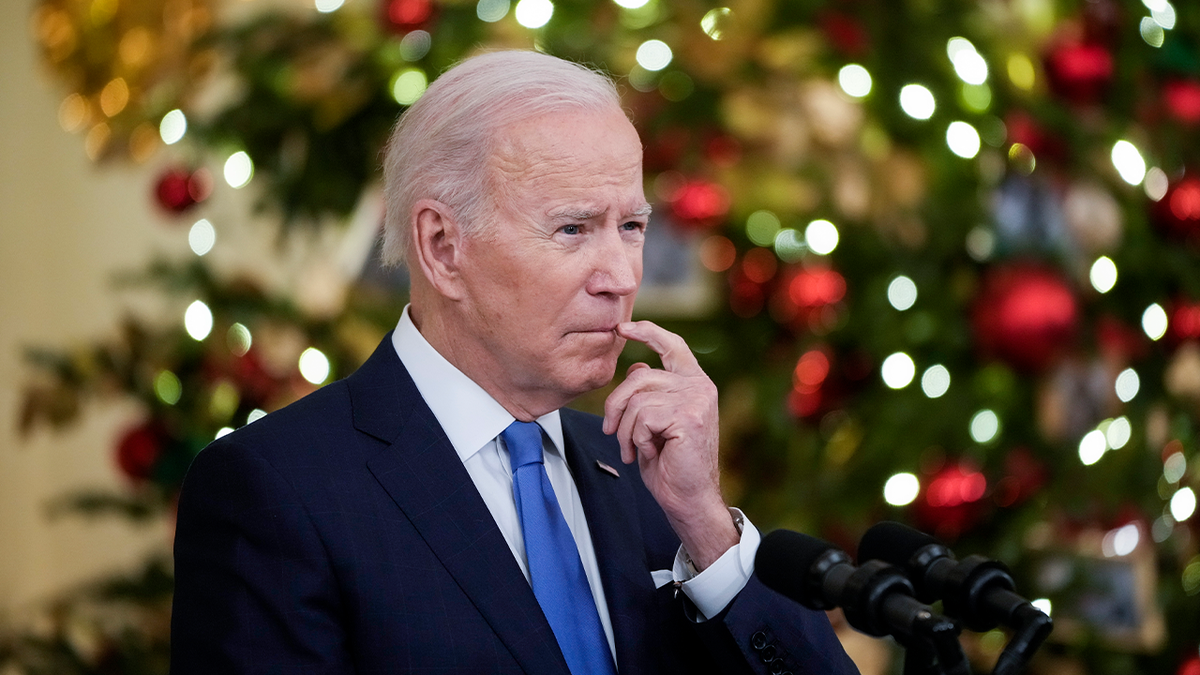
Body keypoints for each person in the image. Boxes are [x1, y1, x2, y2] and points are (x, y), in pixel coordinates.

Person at [170, 50, 859, 675]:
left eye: (631, 226)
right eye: (572, 228)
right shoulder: (276, 488)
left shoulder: (645, 471)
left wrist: (707, 524)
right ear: (442, 246)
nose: (620, 274)